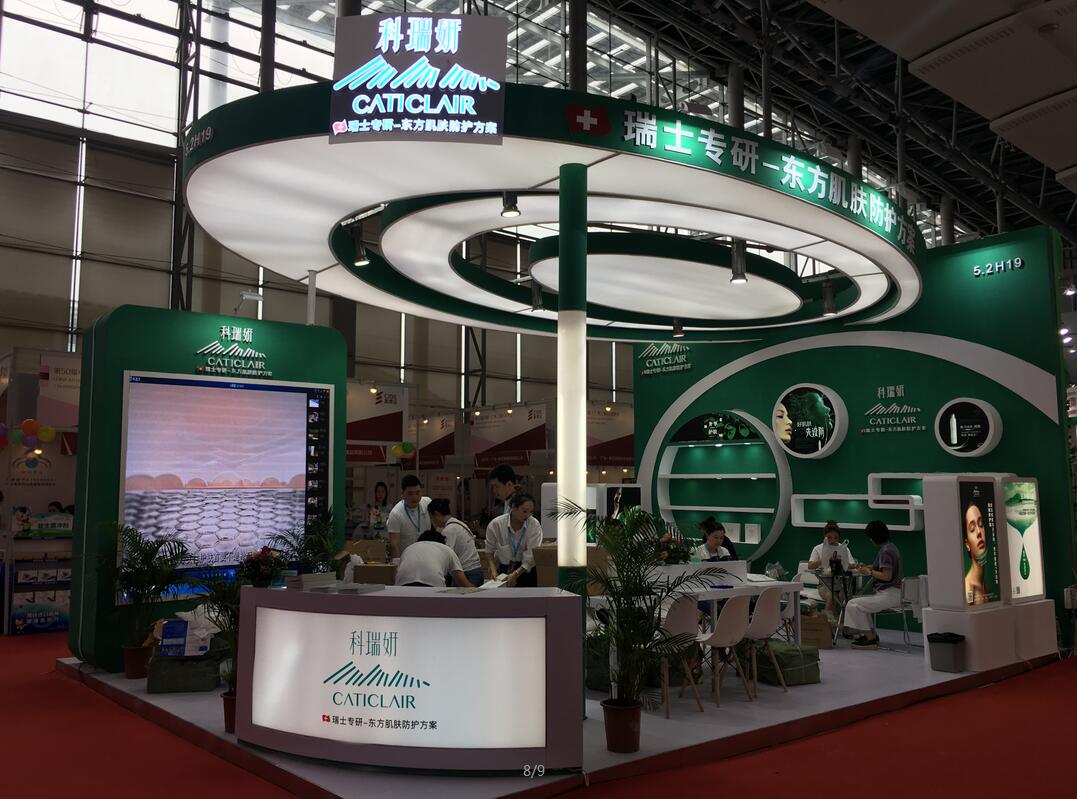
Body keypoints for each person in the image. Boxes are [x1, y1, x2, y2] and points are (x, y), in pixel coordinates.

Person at [845, 520, 903, 649]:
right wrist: (869, 567)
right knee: (859, 605)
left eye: (871, 537)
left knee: (852, 605)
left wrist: (869, 572)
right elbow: (885, 568)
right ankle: (871, 636)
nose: (870, 540)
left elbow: (886, 576)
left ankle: (870, 639)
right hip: (896, 593)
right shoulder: (891, 547)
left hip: (890, 594)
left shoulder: (885, 551)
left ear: (875, 537)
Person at [485, 493, 542, 587]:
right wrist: (493, 569)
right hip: (504, 569)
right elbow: (489, 550)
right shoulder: (496, 524)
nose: (528, 515)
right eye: (524, 511)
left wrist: (516, 574)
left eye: (531, 512)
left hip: (525, 570)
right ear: (513, 508)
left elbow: (531, 555)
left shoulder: (534, 525)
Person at [429, 498, 484, 588]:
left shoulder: (449, 530)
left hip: (467, 574)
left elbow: (445, 559)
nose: (432, 522)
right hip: (476, 571)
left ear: (436, 514)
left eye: (431, 518)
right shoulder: (459, 524)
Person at [806, 520, 857, 619]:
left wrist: (842, 562)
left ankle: (839, 623)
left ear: (839, 537)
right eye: (829, 537)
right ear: (824, 536)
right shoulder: (818, 548)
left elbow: (852, 565)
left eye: (836, 538)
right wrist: (823, 559)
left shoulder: (844, 548)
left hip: (843, 583)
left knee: (844, 597)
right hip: (825, 584)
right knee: (832, 595)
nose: (832, 540)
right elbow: (810, 566)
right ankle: (829, 623)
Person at [394, 530, 472, 588]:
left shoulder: (409, 548)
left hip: (403, 584)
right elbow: (464, 584)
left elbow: (397, 573)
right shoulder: (446, 549)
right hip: (433, 583)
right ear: (442, 542)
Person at [386, 475, 430, 558]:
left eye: (417, 493)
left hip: (427, 555)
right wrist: (397, 565)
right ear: (402, 494)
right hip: (407, 559)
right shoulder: (395, 514)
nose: (414, 497)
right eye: (410, 493)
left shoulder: (427, 503)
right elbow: (394, 545)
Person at [963, 501, 991, 606]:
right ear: (967, 544)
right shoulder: (968, 591)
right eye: (972, 529)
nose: (979, 532)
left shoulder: (985, 586)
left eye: (981, 524)